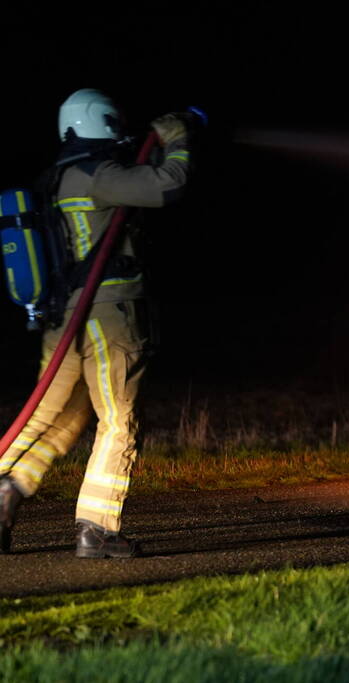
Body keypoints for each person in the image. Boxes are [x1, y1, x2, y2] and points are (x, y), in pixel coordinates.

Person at [0, 88, 191, 558]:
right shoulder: (99, 173)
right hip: (108, 315)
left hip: (64, 318)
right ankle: (97, 529)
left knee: (58, 414)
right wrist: (179, 138)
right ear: (101, 121)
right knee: (119, 419)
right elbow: (169, 185)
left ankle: (9, 487)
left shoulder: (58, 177)